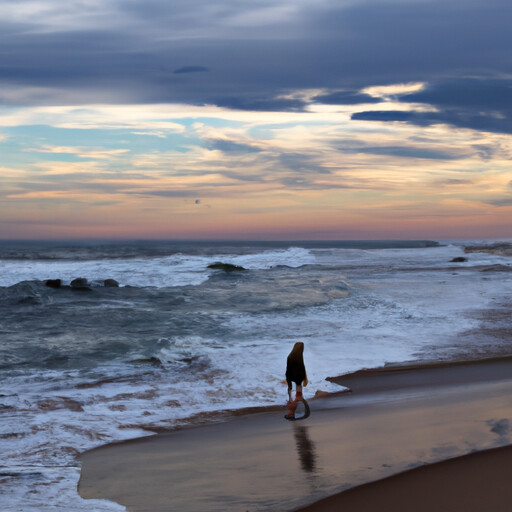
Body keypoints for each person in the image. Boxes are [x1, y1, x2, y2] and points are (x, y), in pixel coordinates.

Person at [285, 342, 308, 420]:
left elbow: (288, 371)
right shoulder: (299, 357)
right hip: (299, 379)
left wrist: (288, 382)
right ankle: (292, 413)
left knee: (291, 398)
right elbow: (302, 368)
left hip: (291, 378)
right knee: (298, 397)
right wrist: (304, 378)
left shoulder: (290, 357)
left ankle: (291, 414)